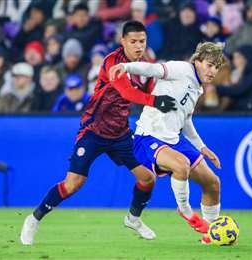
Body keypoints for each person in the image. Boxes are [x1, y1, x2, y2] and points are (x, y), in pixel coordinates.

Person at [20, 20, 176, 245]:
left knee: (148, 178)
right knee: (73, 183)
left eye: (142, 41)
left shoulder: (146, 67)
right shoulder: (112, 61)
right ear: (123, 42)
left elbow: (153, 91)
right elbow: (127, 92)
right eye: (133, 41)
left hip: (121, 134)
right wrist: (155, 101)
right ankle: (34, 219)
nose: (138, 46)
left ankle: (133, 218)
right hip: (94, 130)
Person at [109, 41, 225, 244]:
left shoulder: (198, 87)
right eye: (209, 64)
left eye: (217, 67)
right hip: (149, 136)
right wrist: (125, 67)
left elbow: (186, 120)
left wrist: (202, 147)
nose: (213, 71)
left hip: (174, 138)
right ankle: (184, 209)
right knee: (181, 165)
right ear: (197, 61)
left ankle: (212, 234)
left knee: (213, 183)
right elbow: (151, 69)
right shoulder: (181, 69)